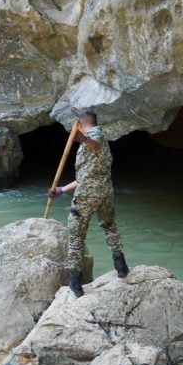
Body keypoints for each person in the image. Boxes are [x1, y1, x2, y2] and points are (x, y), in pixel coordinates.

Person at [48, 110, 129, 296]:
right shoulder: (101, 143)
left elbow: (94, 143)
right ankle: (121, 265)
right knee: (110, 226)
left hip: (86, 196)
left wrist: (83, 138)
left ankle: (75, 281)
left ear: (80, 124)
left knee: (76, 237)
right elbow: (85, 177)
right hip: (105, 193)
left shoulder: (95, 135)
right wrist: (61, 190)